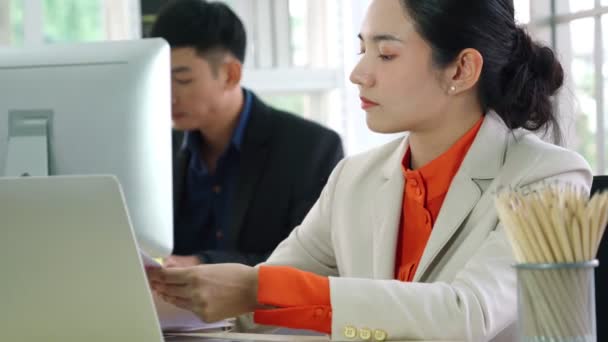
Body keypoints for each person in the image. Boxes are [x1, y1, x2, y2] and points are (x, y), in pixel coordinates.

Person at [146, 0, 593, 340]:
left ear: (461, 68)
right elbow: (257, 305)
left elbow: (468, 315)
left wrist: (258, 288)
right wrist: (170, 291)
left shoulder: (550, 178)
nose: (359, 73)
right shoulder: (353, 180)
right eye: (363, 50)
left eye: (386, 54)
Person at [149, 0, 344, 267]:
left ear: (230, 74)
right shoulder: (158, 149)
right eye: (160, 78)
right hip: (169, 307)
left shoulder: (311, 149)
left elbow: (314, 264)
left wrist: (203, 264)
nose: (167, 96)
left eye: (182, 80)